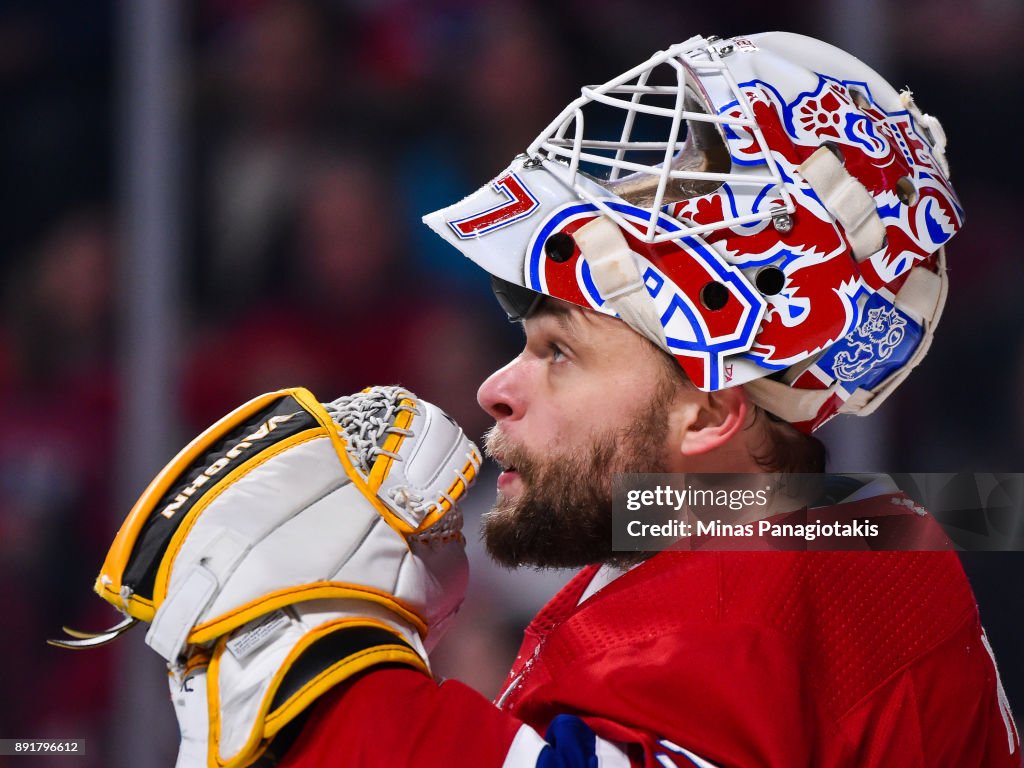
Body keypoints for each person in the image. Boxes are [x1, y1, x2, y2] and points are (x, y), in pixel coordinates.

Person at [56, 32, 1018, 767]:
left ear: (708, 410)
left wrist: (327, 691)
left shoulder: (759, 590)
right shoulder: (841, 541)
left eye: (560, 352)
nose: (495, 387)